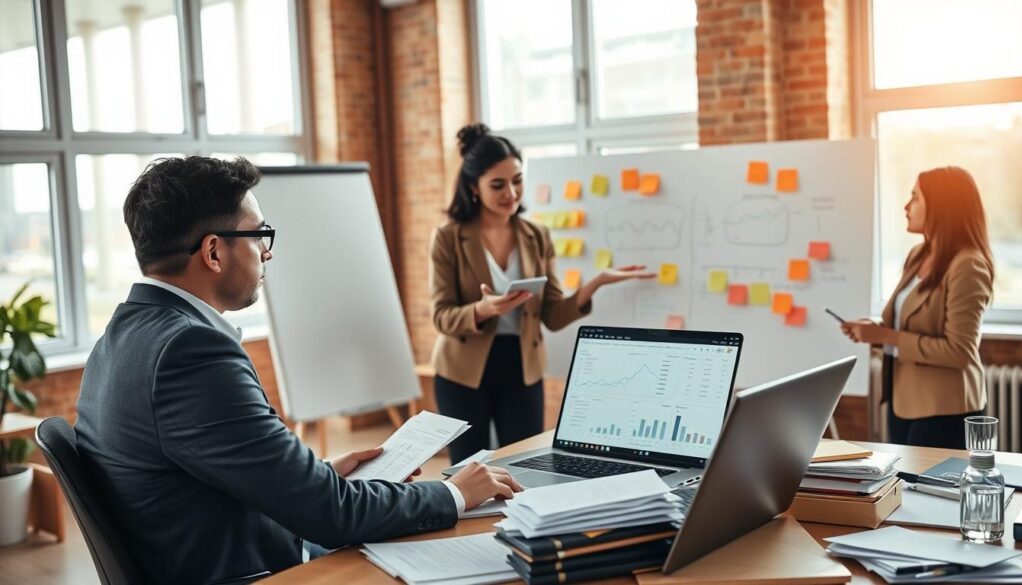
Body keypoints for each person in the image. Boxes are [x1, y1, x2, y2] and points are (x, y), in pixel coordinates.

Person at [75, 156, 522, 584]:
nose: (266, 254)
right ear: (213, 252)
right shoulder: (191, 352)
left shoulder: (121, 335)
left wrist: (314, 472)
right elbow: (331, 514)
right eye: (258, 236)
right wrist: (455, 493)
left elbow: (195, 472)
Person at [429, 124, 655, 464]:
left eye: (517, 180)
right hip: (463, 373)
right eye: (498, 184)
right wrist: (482, 310)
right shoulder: (448, 237)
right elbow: (442, 315)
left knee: (523, 468)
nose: (512, 192)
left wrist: (595, 284)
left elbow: (552, 314)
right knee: (467, 472)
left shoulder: (537, 236)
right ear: (474, 187)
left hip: (522, 369)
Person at [840, 166, 994, 449]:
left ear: (942, 206)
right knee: (903, 491)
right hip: (903, 403)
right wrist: (874, 331)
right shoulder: (917, 255)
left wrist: (885, 337)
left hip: (946, 410)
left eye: (915, 198)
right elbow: (908, 324)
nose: (906, 206)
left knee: (930, 493)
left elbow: (959, 352)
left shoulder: (968, 265)